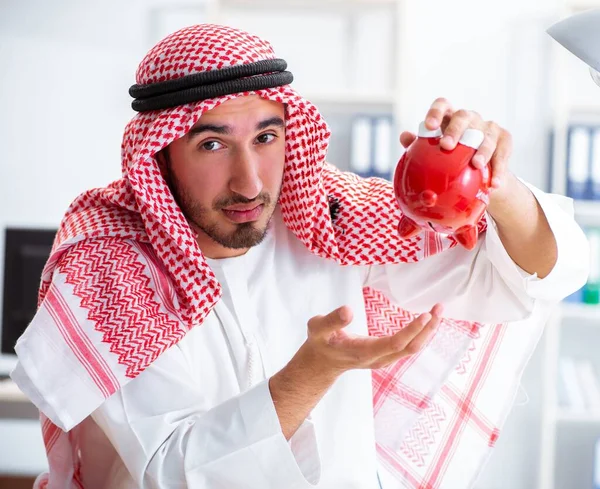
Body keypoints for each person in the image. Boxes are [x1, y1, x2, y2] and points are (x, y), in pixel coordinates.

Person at [10, 23, 588, 489]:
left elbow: (528, 278)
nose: (249, 182)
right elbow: (172, 475)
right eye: (212, 144)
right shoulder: (110, 273)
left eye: (266, 138)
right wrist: (311, 375)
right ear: (158, 156)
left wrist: (497, 186)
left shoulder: (328, 219)